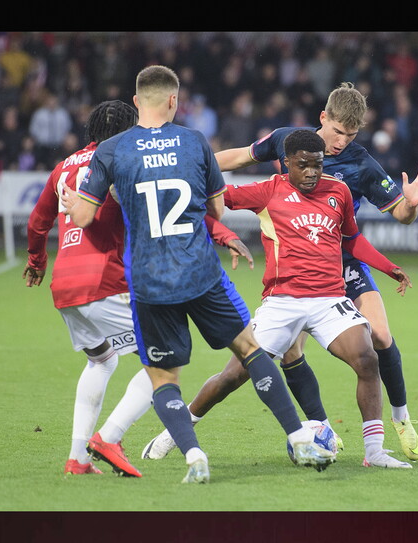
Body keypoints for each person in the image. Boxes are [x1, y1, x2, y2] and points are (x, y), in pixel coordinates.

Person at [62, 65, 335, 484]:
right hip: (199, 272)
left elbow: (82, 215)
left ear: (137, 103)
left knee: (163, 377)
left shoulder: (113, 150)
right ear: (174, 100)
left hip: (150, 280)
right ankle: (299, 436)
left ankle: (193, 456)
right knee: (250, 349)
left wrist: (69, 200)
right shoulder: (193, 142)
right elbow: (217, 210)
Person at [146, 129, 418, 468]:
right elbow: (206, 201)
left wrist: (387, 266)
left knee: (367, 359)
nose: (311, 173)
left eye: (318, 166)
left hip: (328, 300)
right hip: (282, 301)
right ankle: (176, 431)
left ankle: (375, 452)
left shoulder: (338, 192)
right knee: (232, 377)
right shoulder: (268, 190)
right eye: (303, 165)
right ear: (287, 163)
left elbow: (351, 239)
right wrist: (225, 235)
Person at [203, 82, 418, 462]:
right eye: (338, 131)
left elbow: (400, 214)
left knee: (378, 334)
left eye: (352, 134)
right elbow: (242, 157)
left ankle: (401, 418)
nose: (343, 141)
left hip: (344, 262)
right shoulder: (287, 141)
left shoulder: (360, 162)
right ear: (323, 118)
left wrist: (411, 206)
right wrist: (197, 162)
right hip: (296, 262)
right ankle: (320, 426)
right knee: (291, 350)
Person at [24, 99, 254, 478]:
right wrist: (224, 233)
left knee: (101, 360)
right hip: (104, 282)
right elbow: (176, 211)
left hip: (65, 285)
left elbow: (38, 222)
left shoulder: (63, 167)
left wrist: (36, 261)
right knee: (165, 362)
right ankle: (109, 437)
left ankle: (77, 459)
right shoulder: (124, 162)